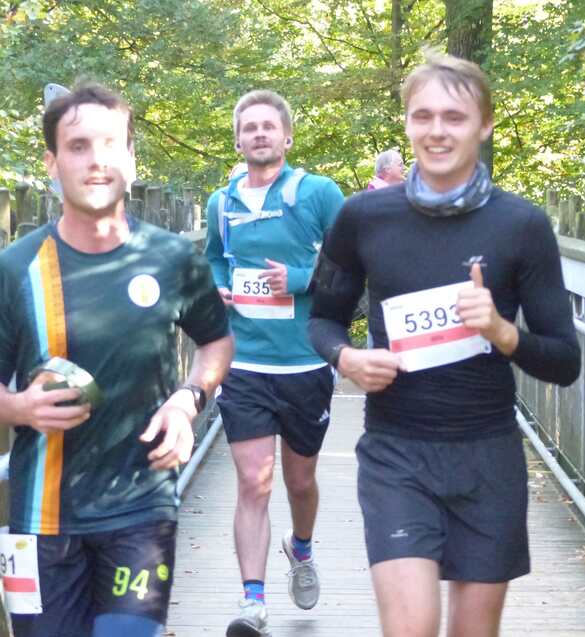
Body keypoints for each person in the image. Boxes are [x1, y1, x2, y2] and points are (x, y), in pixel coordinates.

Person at [309, 51, 581, 637]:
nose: (437, 131)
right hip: (396, 453)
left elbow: (565, 361)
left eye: (455, 117)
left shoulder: (522, 226)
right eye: (423, 116)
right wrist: (346, 357)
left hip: (488, 456)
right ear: (407, 122)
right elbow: (321, 319)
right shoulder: (362, 217)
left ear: (484, 125)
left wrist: (503, 333)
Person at [0, 83, 234, 637]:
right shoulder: (16, 268)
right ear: (52, 163)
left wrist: (188, 400)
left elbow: (216, 341)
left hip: (141, 510)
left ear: (131, 158)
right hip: (41, 520)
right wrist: (18, 408)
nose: (96, 160)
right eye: (78, 146)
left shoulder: (172, 257)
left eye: (110, 144)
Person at [205, 89, 344, 637]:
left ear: (287, 136)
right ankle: (253, 602)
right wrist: (218, 287)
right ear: (238, 141)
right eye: (249, 128)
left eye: (268, 126)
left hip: (305, 362)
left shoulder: (318, 193)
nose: (259, 134)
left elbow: (353, 266)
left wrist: (303, 280)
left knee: (300, 481)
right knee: (253, 482)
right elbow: (214, 260)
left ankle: (301, 547)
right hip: (244, 364)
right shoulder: (221, 204)